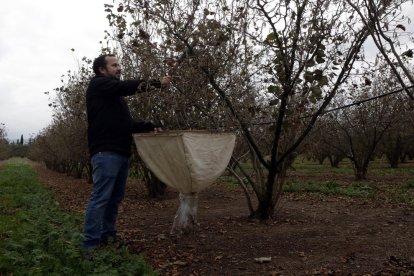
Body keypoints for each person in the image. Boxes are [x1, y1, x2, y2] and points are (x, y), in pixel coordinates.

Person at [82, 54, 171, 253]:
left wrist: (149, 126)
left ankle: (108, 237)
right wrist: (157, 83)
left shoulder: (114, 98)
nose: (119, 68)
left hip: (121, 153)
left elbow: (126, 125)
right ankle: (90, 246)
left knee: (113, 200)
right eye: (114, 65)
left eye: (119, 64)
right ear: (102, 70)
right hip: (105, 153)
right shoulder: (98, 85)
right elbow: (127, 86)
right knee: (100, 198)